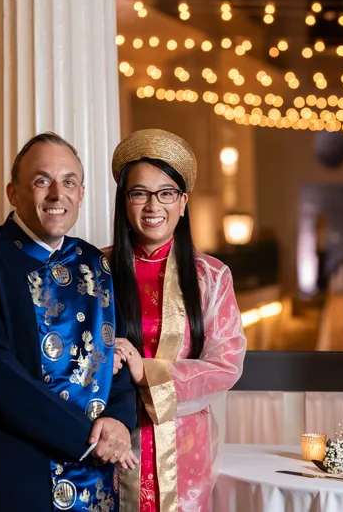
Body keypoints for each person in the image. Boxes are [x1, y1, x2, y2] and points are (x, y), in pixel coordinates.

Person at [0, 132, 138, 512]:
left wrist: (117, 419)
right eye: (41, 181)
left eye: (68, 182)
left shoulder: (93, 262)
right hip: (18, 473)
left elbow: (118, 353)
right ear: (13, 192)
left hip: (96, 480)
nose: (56, 194)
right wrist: (90, 438)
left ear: (81, 193)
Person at [107, 129, 247, 511]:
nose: (153, 206)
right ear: (124, 201)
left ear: (183, 203)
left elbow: (226, 364)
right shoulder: (95, 271)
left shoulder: (211, 276)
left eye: (166, 193)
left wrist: (145, 372)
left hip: (185, 452)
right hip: (111, 447)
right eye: (139, 193)